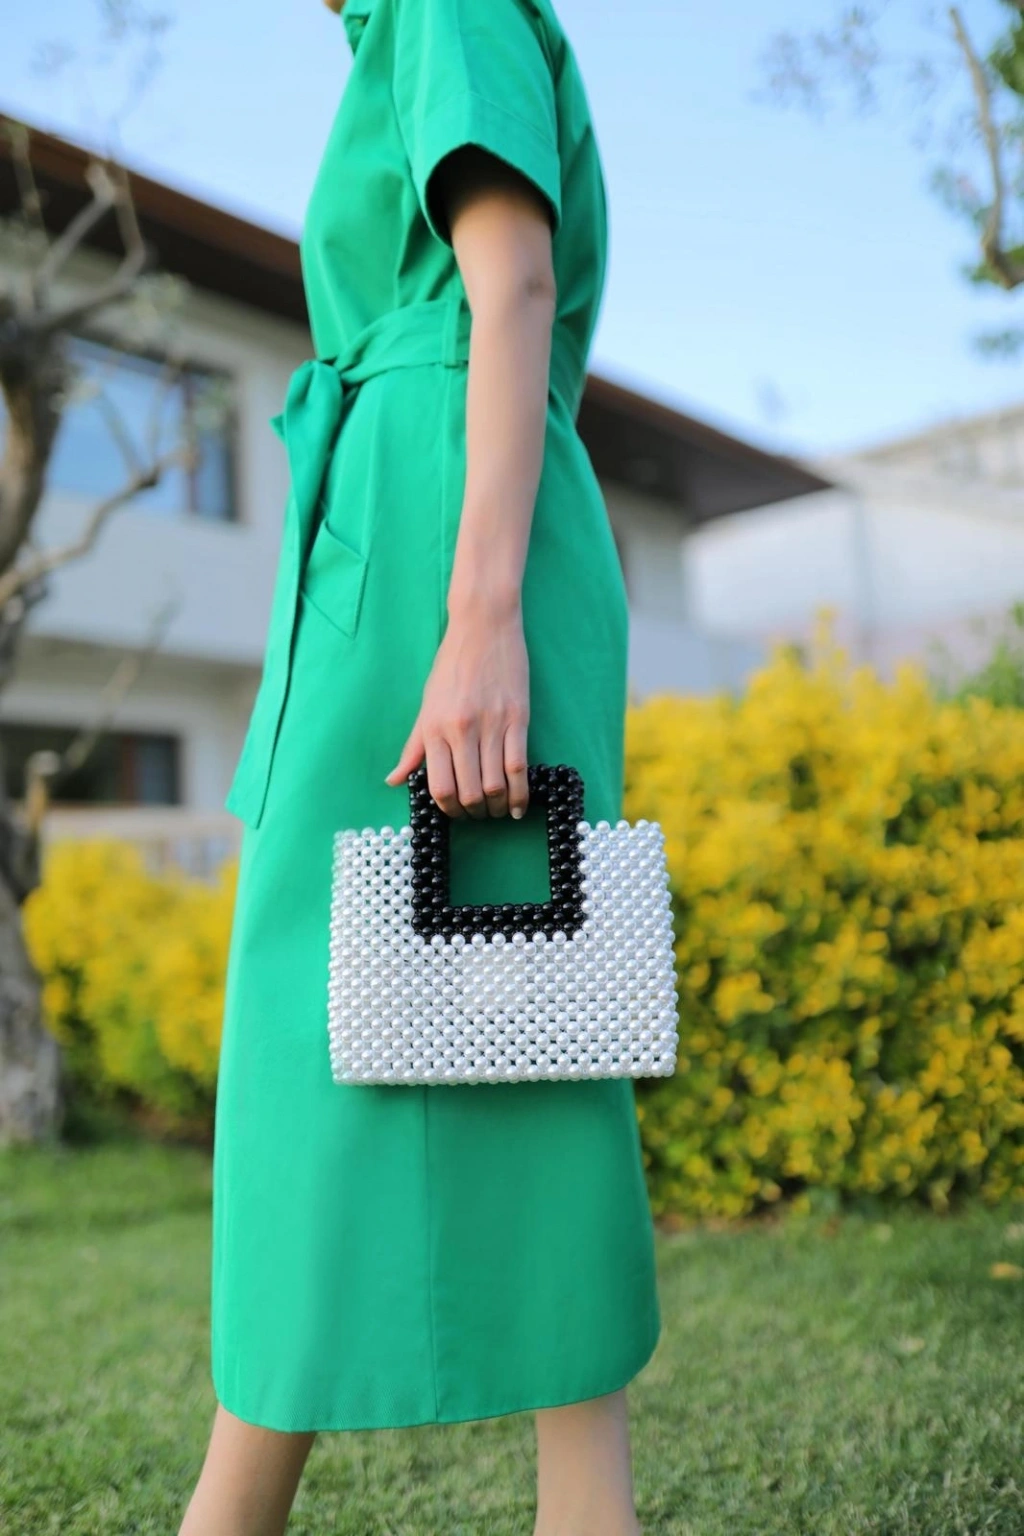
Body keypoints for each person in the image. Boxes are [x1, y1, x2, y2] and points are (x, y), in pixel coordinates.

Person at [179, 1, 661, 1532]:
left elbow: (509, 278)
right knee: (392, 1029)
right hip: (412, 534)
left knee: (510, 1010)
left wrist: (481, 619)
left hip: (449, 550)